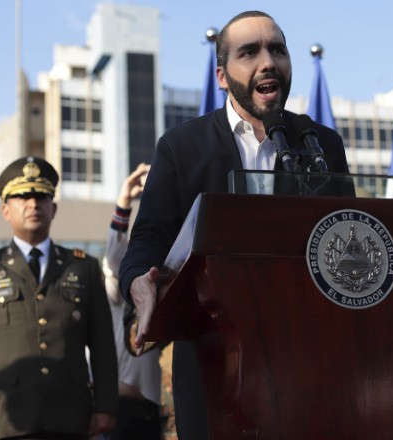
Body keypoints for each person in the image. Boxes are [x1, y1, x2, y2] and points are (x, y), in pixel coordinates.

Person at [118, 10, 350, 439]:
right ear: (222, 76)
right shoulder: (181, 147)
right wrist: (138, 282)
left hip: (306, 362)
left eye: (277, 50)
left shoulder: (321, 145)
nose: (268, 62)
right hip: (211, 358)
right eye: (250, 52)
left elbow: (347, 234)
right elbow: (149, 239)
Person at [0, 156, 118, 440]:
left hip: (71, 418)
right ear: (6, 210)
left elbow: (102, 343)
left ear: (53, 208)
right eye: (22, 197)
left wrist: (106, 406)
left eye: (41, 196)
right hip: (3, 419)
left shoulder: (83, 267)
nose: (33, 204)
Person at [103, 163, 165, 440]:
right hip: (129, 411)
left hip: (169, 409)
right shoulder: (120, 290)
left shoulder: (172, 275)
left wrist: (164, 189)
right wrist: (125, 200)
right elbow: (115, 257)